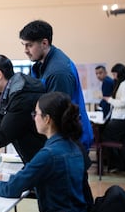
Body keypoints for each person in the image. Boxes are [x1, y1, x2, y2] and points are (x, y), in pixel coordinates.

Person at [0, 92, 90, 212]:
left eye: (36, 114)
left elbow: (12, 189)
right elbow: (35, 178)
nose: (33, 119)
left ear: (47, 119)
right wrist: (2, 176)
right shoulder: (72, 147)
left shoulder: (49, 154)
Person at [19, 19, 93, 151]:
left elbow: (57, 117)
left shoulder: (58, 72)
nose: (25, 50)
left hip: (69, 142)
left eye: (29, 45)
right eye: (23, 45)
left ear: (44, 43)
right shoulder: (42, 64)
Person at [101, 63, 125, 172]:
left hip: (123, 118)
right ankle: (114, 164)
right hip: (119, 117)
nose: (114, 77)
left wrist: (109, 100)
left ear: (119, 73)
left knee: (106, 135)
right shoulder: (123, 83)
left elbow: (124, 103)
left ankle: (116, 164)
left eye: (114, 74)